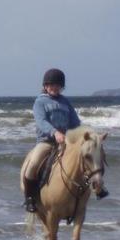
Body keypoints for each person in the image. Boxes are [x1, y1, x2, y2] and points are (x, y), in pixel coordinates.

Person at [22, 68, 109, 213]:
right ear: (45, 85)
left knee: (88, 158)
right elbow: (41, 121)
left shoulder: (65, 102)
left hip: (67, 141)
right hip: (46, 141)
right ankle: (30, 198)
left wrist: (89, 135)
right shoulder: (40, 102)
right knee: (33, 164)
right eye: (51, 84)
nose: (54, 87)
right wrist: (54, 132)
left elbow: (75, 123)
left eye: (57, 85)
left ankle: (98, 187)